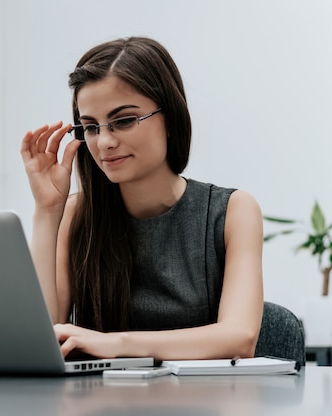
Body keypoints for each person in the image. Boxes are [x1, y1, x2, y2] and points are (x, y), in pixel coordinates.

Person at [20, 37, 263, 361]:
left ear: (170, 118)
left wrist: (117, 345)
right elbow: (42, 338)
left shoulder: (233, 211)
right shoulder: (77, 214)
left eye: (123, 121)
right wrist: (47, 211)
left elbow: (239, 338)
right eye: (91, 127)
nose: (104, 141)